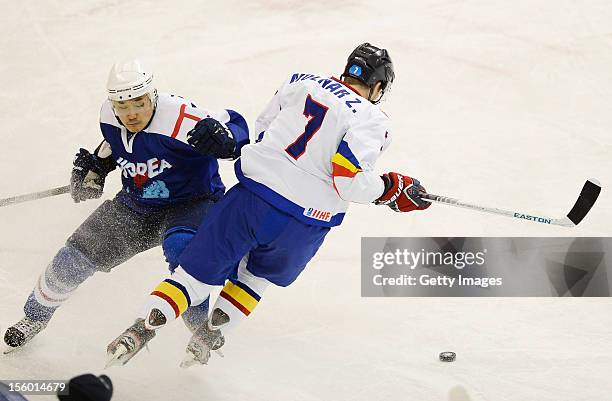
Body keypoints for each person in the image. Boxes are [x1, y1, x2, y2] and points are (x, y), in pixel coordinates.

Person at [106, 43, 430, 367]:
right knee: (256, 277)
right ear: (378, 87)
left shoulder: (301, 80)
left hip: (254, 198)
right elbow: (348, 179)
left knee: (194, 276)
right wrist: (390, 188)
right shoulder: (374, 120)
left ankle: (138, 332)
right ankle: (204, 341)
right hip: (306, 223)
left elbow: (262, 127)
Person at [4, 60, 249, 350]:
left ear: (152, 96)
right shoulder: (109, 116)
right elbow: (115, 143)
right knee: (73, 258)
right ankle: (35, 316)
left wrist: (230, 140)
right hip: (136, 204)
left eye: (138, 103)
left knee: (184, 250)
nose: (131, 113)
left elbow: (233, 122)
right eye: (122, 105)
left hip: (192, 202)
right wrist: (97, 167)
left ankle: (200, 327)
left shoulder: (180, 118)